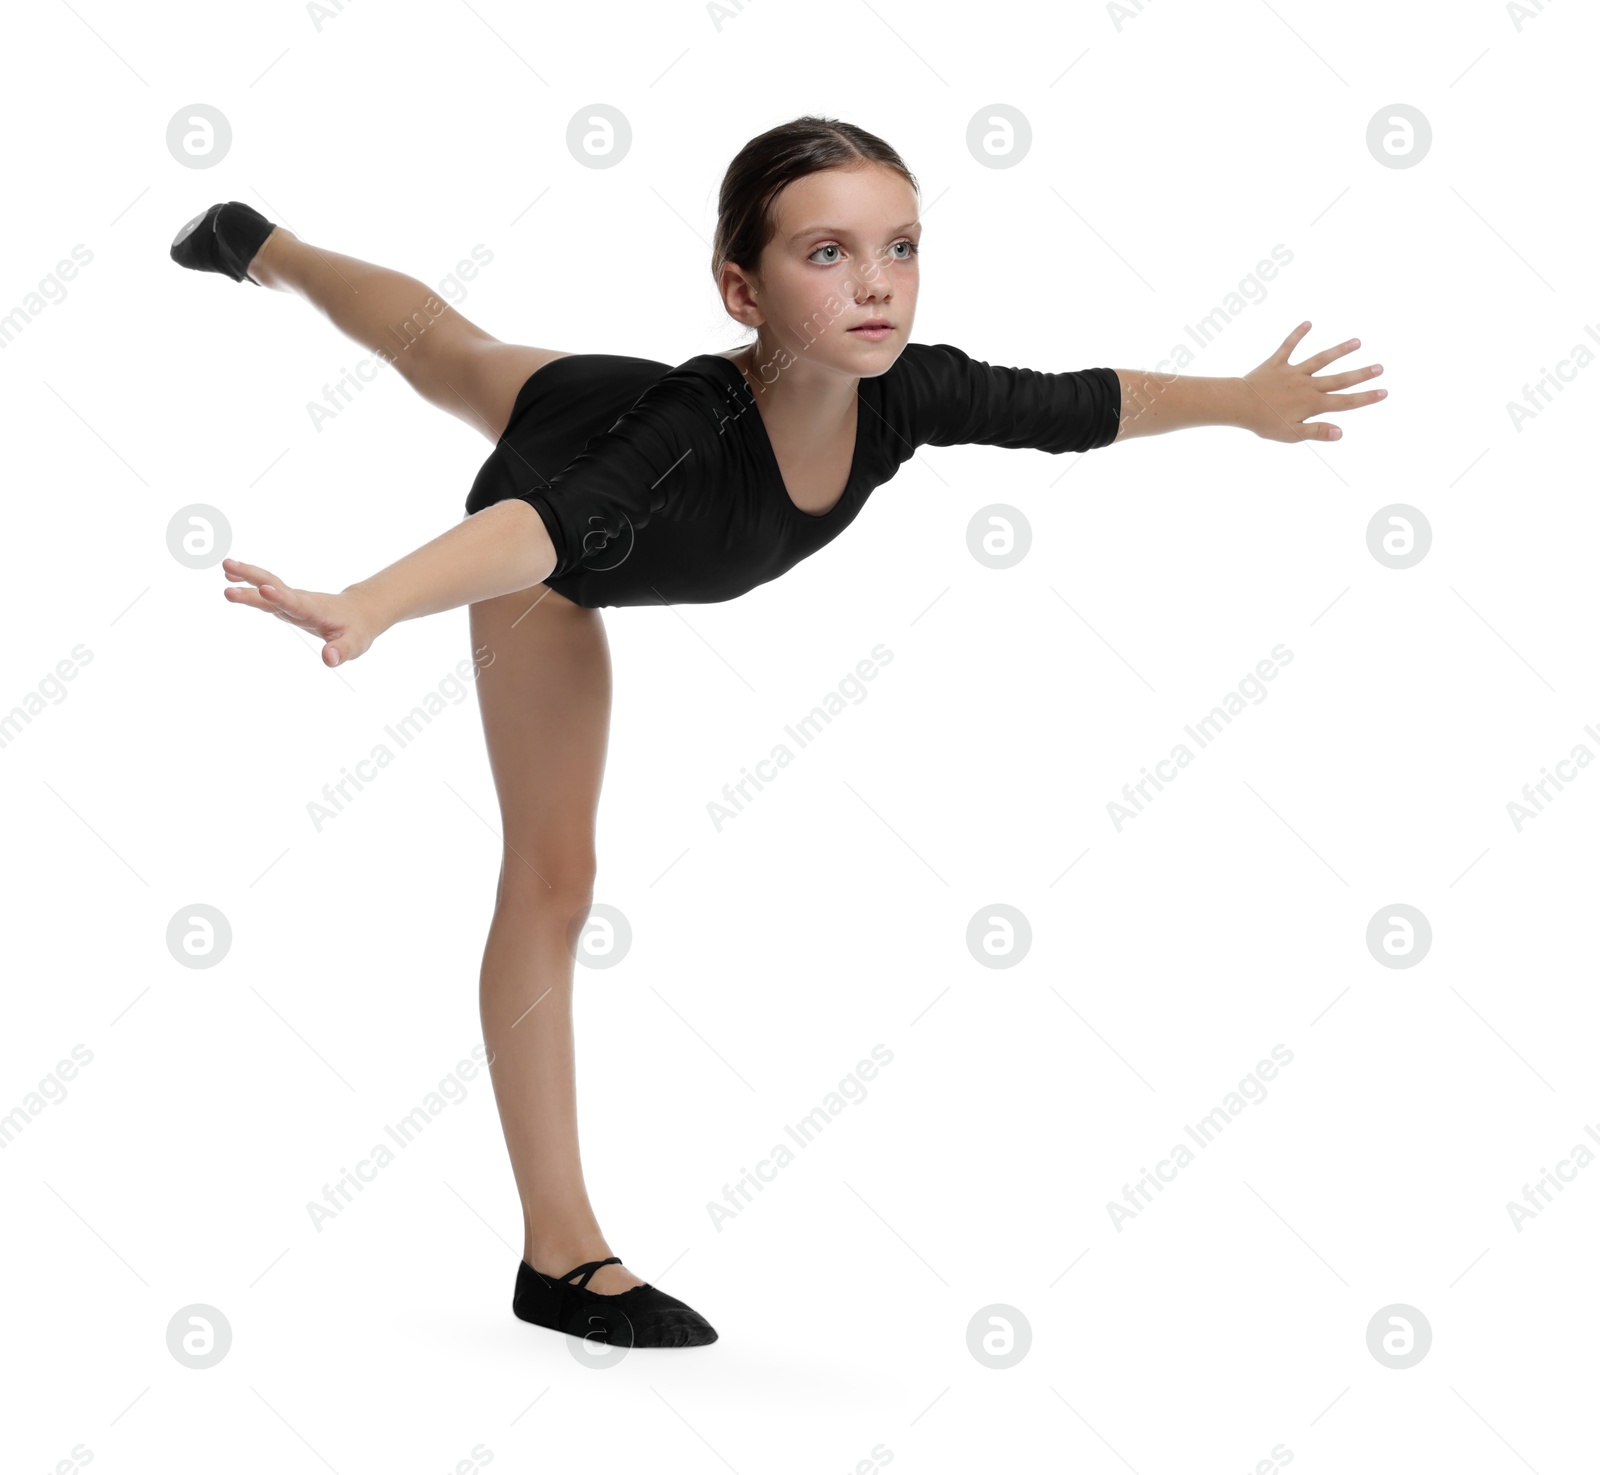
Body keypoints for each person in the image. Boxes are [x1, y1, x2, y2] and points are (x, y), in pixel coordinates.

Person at [170, 115, 1386, 1348]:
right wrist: (372, 600)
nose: (875, 283)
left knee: (460, 353)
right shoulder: (693, 430)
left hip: (589, 402)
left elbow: (1078, 404)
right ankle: (562, 1253)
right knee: (552, 876)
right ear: (739, 289)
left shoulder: (905, 389)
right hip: (557, 538)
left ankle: (252, 241)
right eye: (828, 253)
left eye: (900, 246)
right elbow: (547, 522)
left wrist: (1241, 400)